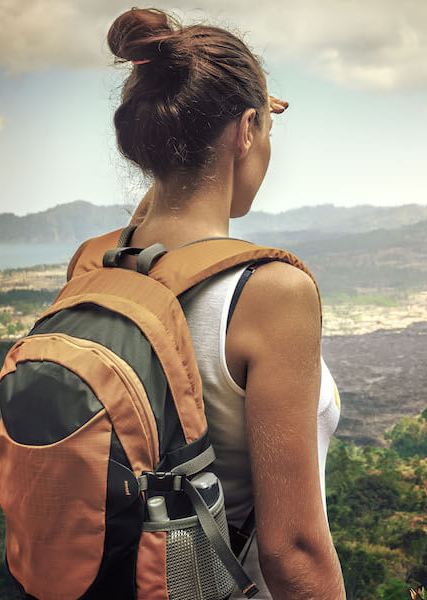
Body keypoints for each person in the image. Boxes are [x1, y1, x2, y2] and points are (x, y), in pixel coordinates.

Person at [106, 8, 345, 599]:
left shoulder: (102, 267)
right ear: (245, 132)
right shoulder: (268, 292)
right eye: (265, 128)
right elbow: (293, 552)